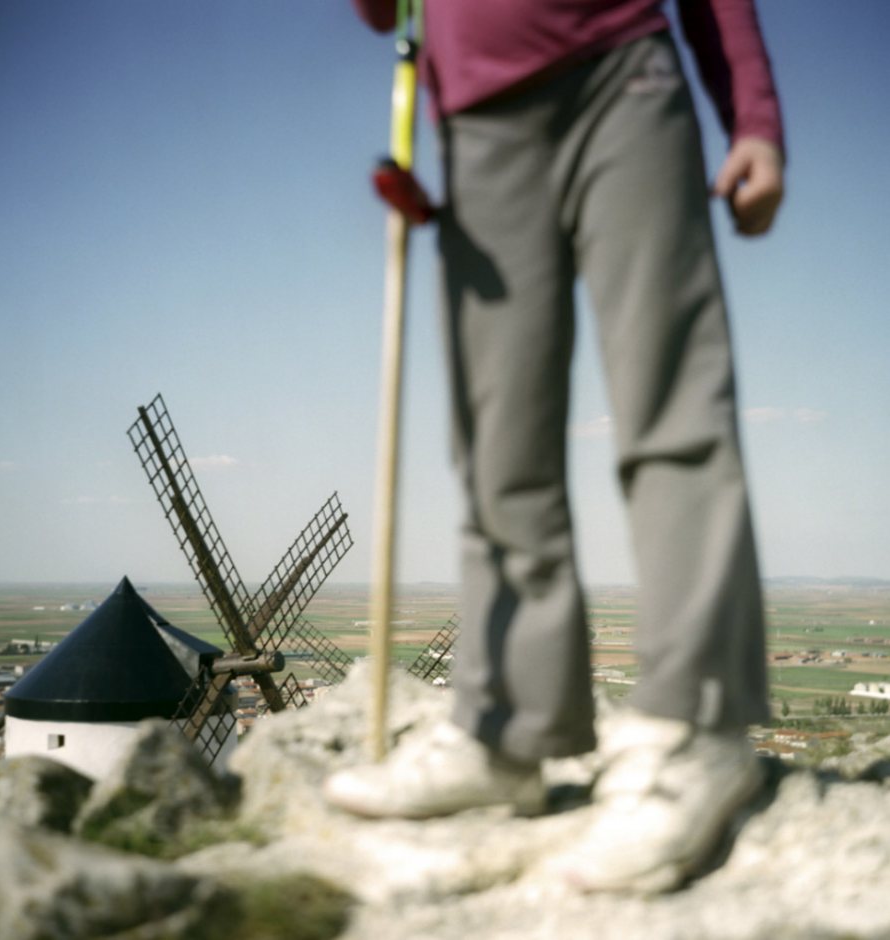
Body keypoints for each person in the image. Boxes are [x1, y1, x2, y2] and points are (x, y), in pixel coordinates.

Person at [326, 0, 785, 893]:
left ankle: (700, 732)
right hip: (474, 117)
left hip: (621, 66)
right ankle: (508, 730)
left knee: (671, 406)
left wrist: (754, 118)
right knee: (500, 440)